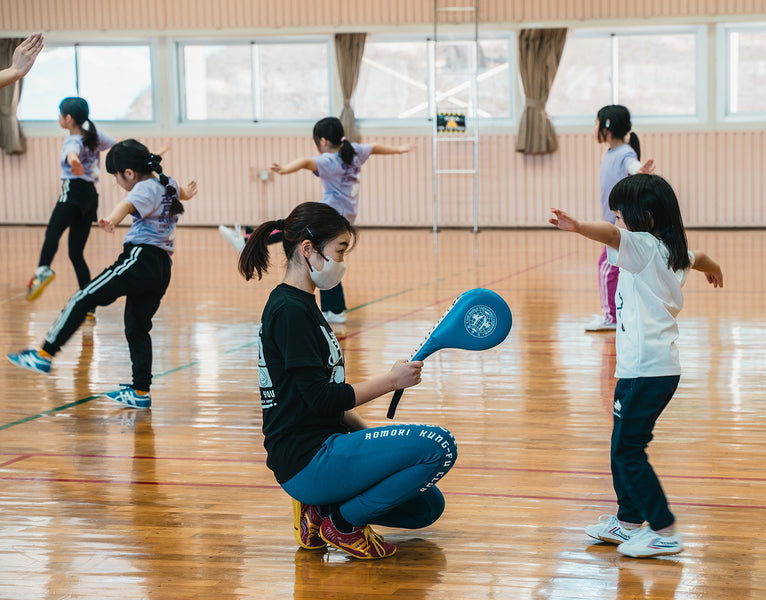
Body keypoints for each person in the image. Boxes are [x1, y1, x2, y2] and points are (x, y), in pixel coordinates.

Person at [239, 201, 456, 559]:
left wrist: (371, 441)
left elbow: (323, 403)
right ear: (308, 249)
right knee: (439, 445)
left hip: (325, 447)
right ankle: (341, 524)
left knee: (425, 506)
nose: (342, 262)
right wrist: (391, 380)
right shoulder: (290, 311)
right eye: (339, 250)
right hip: (307, 458)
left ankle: (318, 511)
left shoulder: (304, 303)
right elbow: (323, 399)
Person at [549, 173, 723, 558]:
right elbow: (701, 258)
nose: (615, 224)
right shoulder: (672, 250)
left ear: (643, 218)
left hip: (647, 370)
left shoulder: (642, 247)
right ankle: (627, 523)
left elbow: (611, 238)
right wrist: (715, 268)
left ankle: (664, 532)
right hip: (646, 369)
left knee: (629, 451)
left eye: (619, 216)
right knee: (621, 445)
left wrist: (577, 226)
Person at [8, 139, 198, 410]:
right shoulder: (167, 183)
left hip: (140, 259)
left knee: (82, 298)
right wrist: (188, 192)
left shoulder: (144, 188)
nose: (117, 182)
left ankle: (44, 354)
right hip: (162, 268)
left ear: (129, 174)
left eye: (116, 178)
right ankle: (140, 391)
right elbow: (183, 194)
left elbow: (127, 206)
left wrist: (111, 219)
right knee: (137, 328)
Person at [222, 116, 415, 324]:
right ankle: (335, 310)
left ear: (323, 141)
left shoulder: (328, 160)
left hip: (329, 215)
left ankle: (248, 241)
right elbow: (375, 147)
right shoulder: (355, 152)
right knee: (322, 257)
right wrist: (399, 149)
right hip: (345, 217)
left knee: (293, 230)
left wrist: (286, 169)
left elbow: (306, 162)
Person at [25, 97, 116, 303]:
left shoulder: (72, 140)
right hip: (90, 197)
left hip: (73, 191)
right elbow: (115, 144)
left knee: (53, 232)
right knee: (76, 253)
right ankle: (88, 303)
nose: (58, 118)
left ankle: (43, 270)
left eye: (60, 114)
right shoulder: (93, 135)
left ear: (68, 118)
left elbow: (71, 154)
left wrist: (75, 162)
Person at [585, 105, 655, 332]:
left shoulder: (625, 153)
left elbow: (632, 166)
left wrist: (639, 170)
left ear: (607, 127)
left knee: (607, 267)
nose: (593, 128)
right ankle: (620, 313)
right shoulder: (609, 152)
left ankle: (611, 318)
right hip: (613, 223)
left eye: (596, 123)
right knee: (620, 269)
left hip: (621, 226)